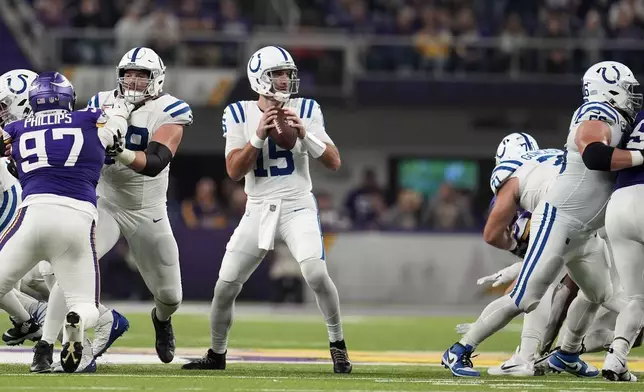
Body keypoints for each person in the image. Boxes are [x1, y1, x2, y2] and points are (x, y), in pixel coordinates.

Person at [444, 61, 643, 378]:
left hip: (587, 231)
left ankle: (567, 355)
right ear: (610, 88)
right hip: (560, 219)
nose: (633, 97)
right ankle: (459, 350)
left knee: (602, 295)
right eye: (628, 90)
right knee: (523, 298)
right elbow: (594, 154)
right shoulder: (597, 111)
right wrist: (641, 155)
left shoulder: (620, 119)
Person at [182, 46, 351, 373]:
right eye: (278, 73)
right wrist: (257, 138)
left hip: (298, 204)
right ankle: (216, 354)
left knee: (315, 273)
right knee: (225, 286)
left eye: (288, 73)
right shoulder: (237, 113)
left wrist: (305, 134)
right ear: (260, 78)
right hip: (258, 208)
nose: (286, 79)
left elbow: (333, 161)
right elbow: (233, 170)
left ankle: (338, 344)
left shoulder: (306, 107)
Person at [0, 71, 129, 373]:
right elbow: (115, 125)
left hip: (31, 217)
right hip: (77, 219)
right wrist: (120, 115)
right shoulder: (90, 120)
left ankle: (40, 339)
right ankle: (77, 323)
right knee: (84, 303)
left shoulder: (16, 129)